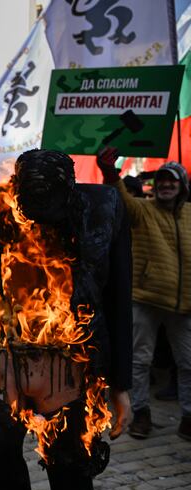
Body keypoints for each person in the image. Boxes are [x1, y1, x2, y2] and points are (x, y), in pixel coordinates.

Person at [0, 149, 132, 490]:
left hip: (71, 365)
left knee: (73, 483)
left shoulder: (103, 208)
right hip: (0, 362)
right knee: (2, 482)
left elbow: (118, 296)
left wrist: (121, 384)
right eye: (31, 203)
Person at [97, 148, 191, 440]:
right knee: (139, 361)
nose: (165, 185)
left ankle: (188, 417)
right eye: (161, 181)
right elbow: (121, 198)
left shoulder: (190, 214)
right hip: (146, 299)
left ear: (182, 186)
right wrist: (110, 171)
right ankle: (140, 415)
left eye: (172, 181)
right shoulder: (142, 209)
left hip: (185, 303)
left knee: (188, 363)